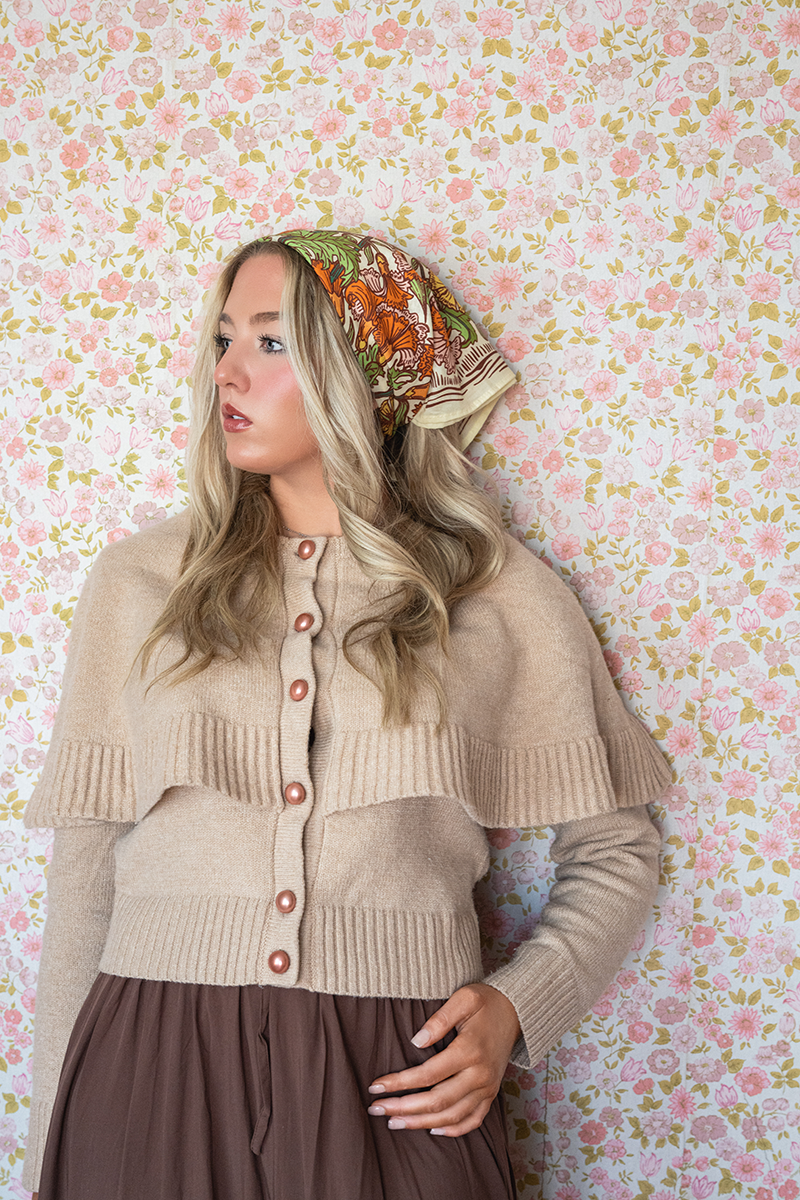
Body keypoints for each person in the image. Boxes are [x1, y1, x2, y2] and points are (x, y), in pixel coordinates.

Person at [23, 229, 669, 1200]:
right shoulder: (141, 583)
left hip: (399, 1071)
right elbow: (84, 874)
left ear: (368, 378)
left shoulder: (492, 592)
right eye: (222, 339)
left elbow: (617, 844)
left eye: (271, 343)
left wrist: (513, 1007)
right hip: (148, 1057)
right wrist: (53, 1146)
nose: (228, 372)